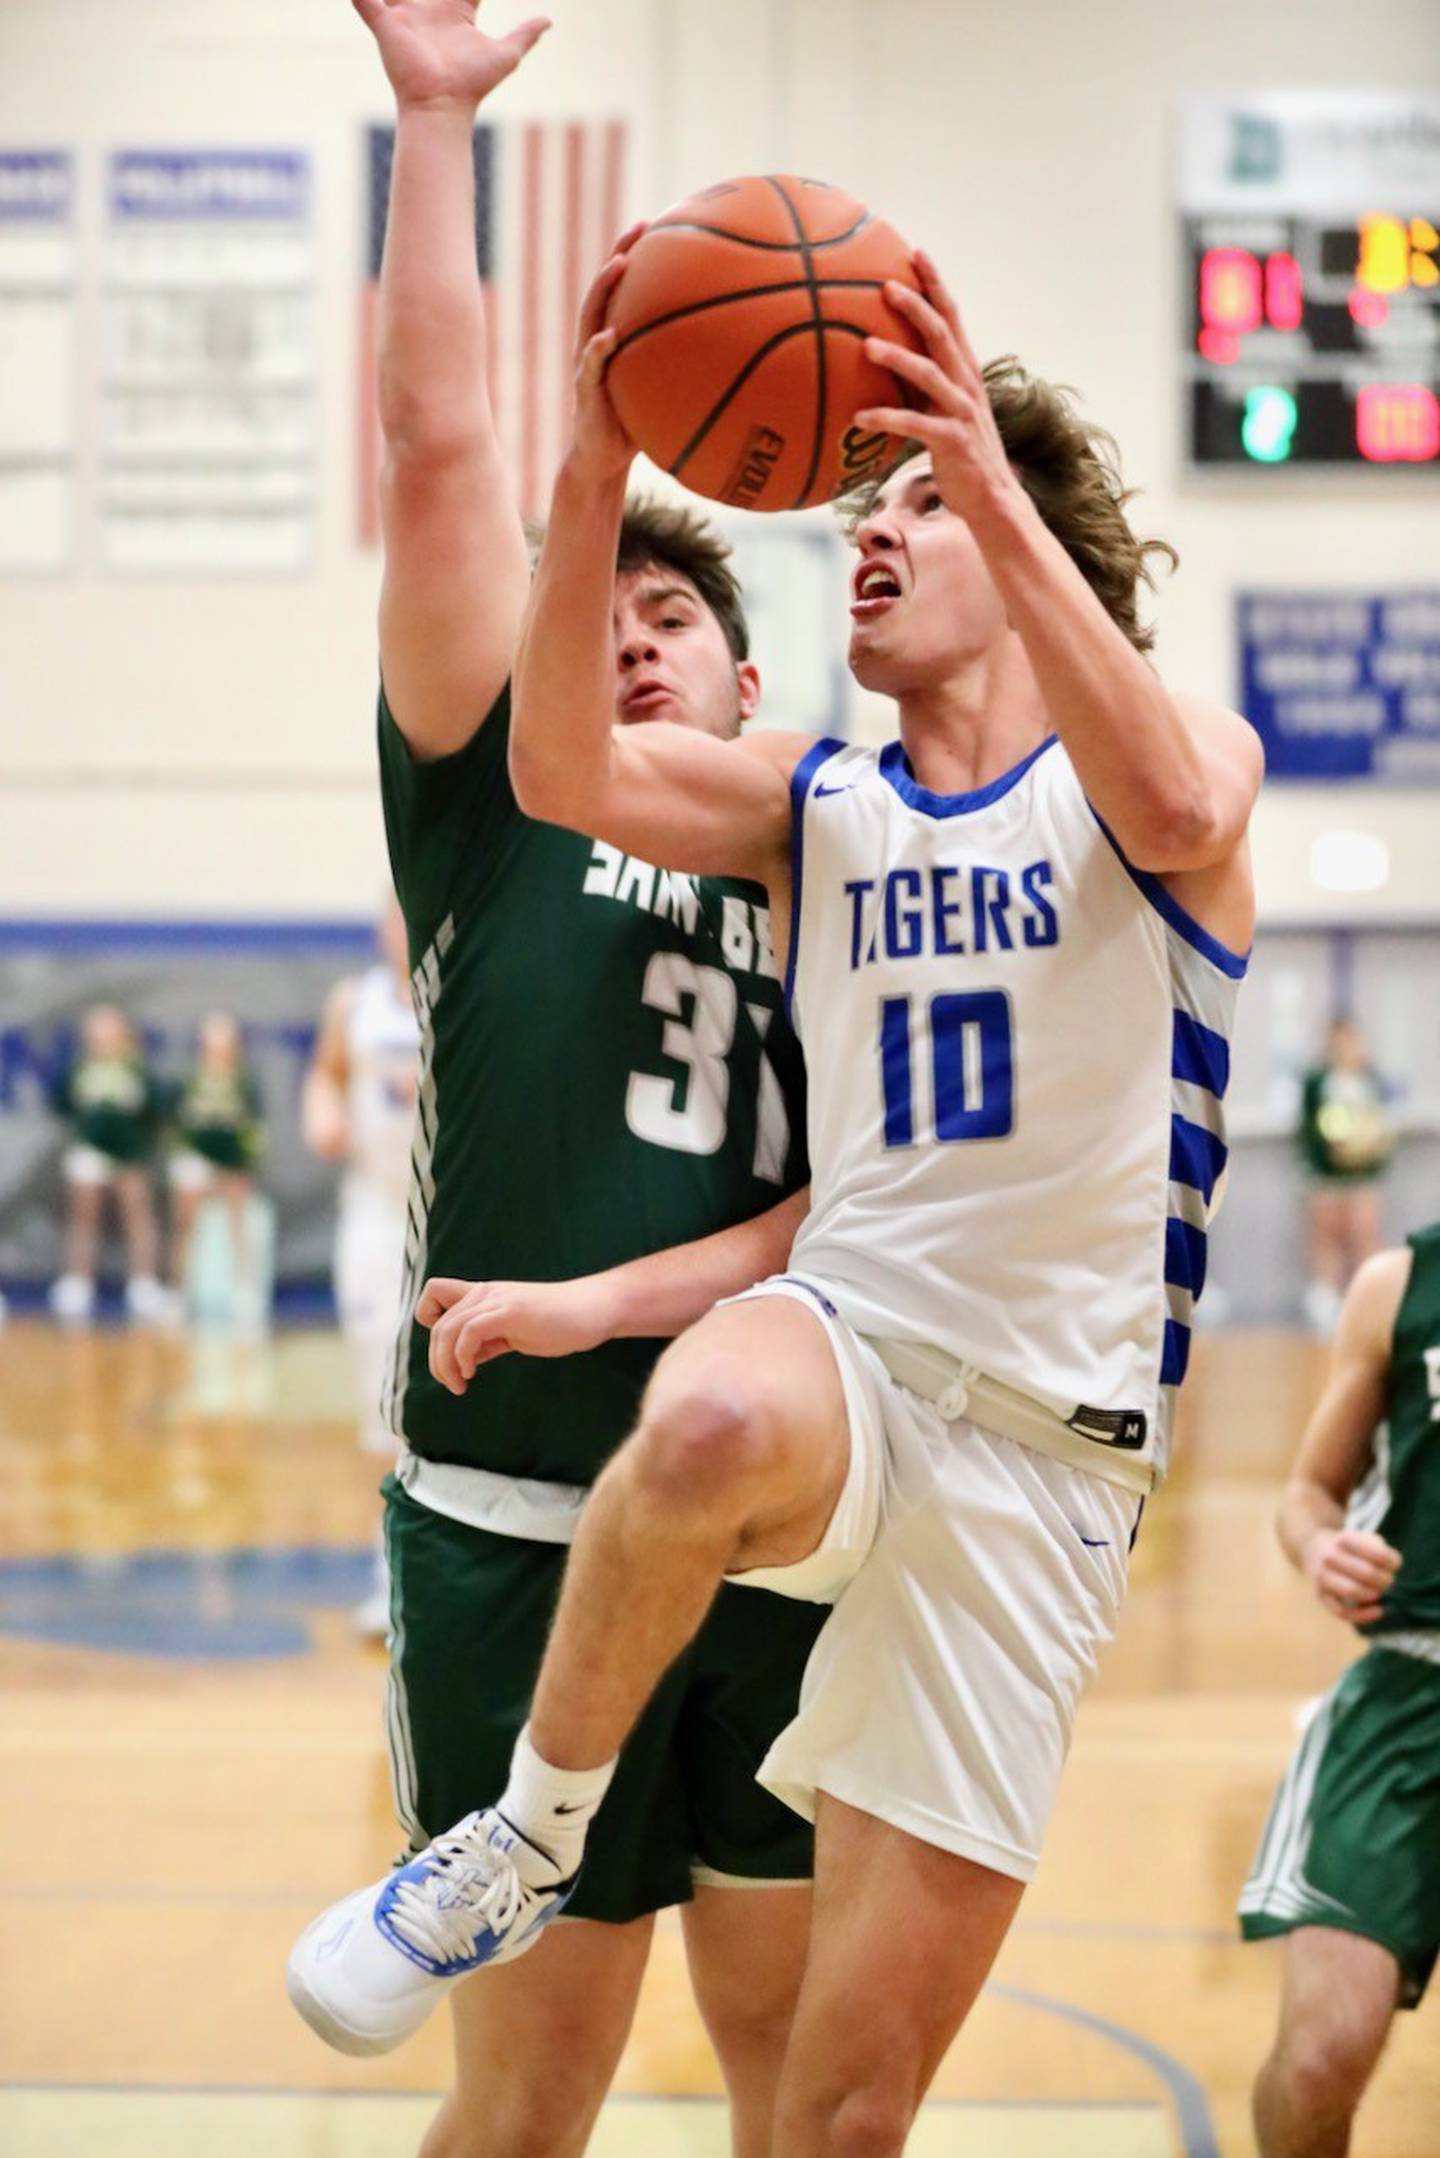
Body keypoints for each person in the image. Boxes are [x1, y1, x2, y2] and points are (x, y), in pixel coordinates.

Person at [292, 226, 1265, 2155]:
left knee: (838, 2110)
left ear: (1028, 539)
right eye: (864, 514)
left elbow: (1176, 809)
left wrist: (982, 453)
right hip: (859, 1358)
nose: (873, 537)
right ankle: (528, 1833)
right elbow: (563, 767)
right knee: (717, 1398)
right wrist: (589, 457)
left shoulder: (1165, 772)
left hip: (1047, 1466)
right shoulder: (821, 800)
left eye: (924, 506)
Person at [288, 7, 826, 2152]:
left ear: (749, 680)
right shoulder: (499, 808)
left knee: (812, 2089)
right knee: (532, 2101)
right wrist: (435, 124)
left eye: (675, 611)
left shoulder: (832, 855)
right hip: (519, 1520)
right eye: (595, 600)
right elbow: (439, 452)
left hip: (780, 1522)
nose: (626, 628)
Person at [1239, 1231, 1440, 2158]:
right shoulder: (1400, 1286)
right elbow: (1310, 1493)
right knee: (1322, 2055)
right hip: (1409, 1694)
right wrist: (1320, 1547)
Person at [303, 894, 420, 1637]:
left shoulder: (465, 980)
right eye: (393, 915)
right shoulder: (355, 1000)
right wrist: (322, 1110)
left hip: (451, 1215)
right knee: (379, 1399)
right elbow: (325, 1073)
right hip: (376, 1213)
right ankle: (387, 1575)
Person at [48, 1004, 166, 1324]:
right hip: (90, 1152)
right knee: (83, 1218)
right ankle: (78, 1281)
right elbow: (61, 1101)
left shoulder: (136, 1068)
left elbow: (157, 1107)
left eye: (109, 1026)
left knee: (138, 1218)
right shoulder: (80, 1067)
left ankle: (143, 1283)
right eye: (97, 1027)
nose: (103, 1034)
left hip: (130, 1154)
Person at [167, 1011, 267, 1320]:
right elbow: (179, 1122)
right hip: (197, 1158)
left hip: (232, 1160)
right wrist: (185, 1156)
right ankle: (179, 1293)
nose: (218, 1047)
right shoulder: (192, 1079)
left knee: (237, 1224)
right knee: (186, 1225)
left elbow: (253, 1127)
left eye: (224, 1040)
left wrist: (245, 1159)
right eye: (212, 1040)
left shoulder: (244, 1082)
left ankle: (244, 1291)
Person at [1298, 1016, 1393, 1336]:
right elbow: (1309, 1127)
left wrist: (1372, 1153)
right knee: (1327, 1234)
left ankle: (1371, 1302)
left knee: (1365, 1232)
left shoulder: (1370, 1078)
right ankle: (1326, 1300)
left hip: (1362, 1173)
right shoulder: (1318, 1081)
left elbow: (1382, 1123)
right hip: (1327, 1174)